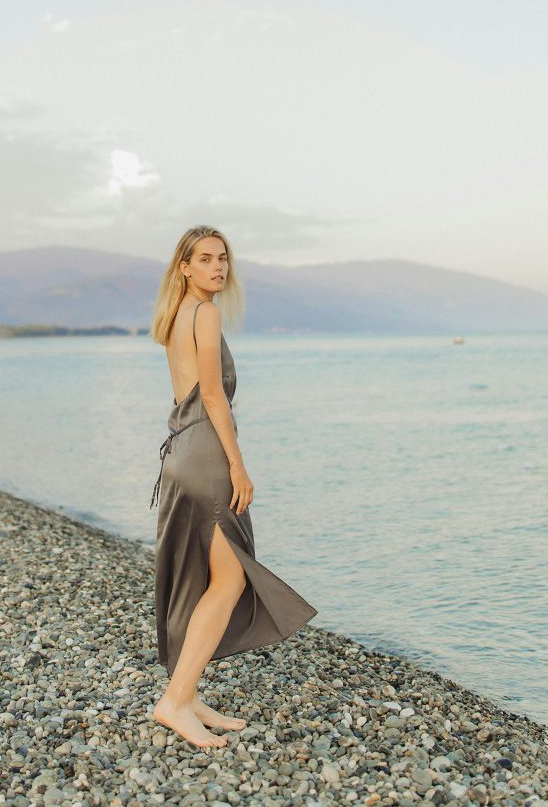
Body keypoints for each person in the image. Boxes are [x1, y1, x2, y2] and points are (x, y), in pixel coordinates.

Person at [149, 225, 317, 748]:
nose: (218, 268)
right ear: (185, 267)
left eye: (223, 259)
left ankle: (187, 692)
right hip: (206, 456)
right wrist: (239, 467)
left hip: (180, 449)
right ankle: (174, 702)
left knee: (207, 576)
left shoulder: (177, 316)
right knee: (229, 580)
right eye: (205, 259)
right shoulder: (205, 313)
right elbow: (215, 399)